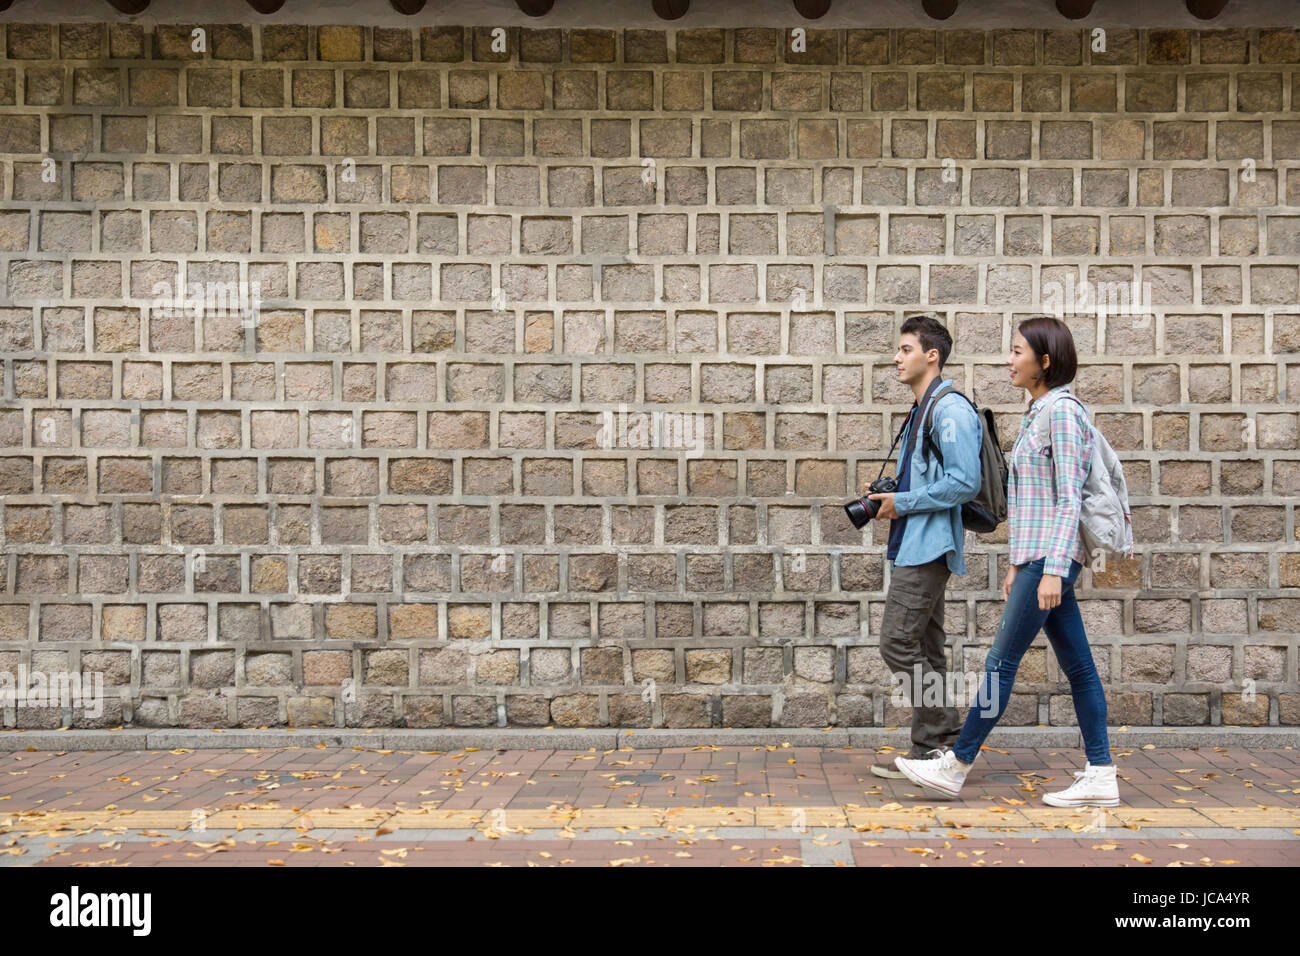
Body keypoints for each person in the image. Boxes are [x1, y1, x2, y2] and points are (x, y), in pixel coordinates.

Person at [895, 316, 1118, 807]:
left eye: (1018, 352)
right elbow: (1032, 501)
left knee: (1000, 664)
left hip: (1051, 559)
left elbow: (1068, 500)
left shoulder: (1062, 412)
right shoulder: (1038, 413)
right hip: (1037, 558)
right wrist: (1018, 561)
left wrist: (1054, 568)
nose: (1009, 360)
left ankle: (956, 764)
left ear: (1045, 360)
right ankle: (1101, 772)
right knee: (1079, 667)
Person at [865, 315, 982, 779]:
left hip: (929, 546)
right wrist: (889, 493)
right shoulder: (923, 407)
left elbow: (965, 482)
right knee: (927, 648)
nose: (897, 358)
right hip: (914, 540)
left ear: (931, 356)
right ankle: (934, 751)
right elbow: (932, 478)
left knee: (896, 641)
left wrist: (904, 501)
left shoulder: (949, 410)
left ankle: (939, 728)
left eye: (906, 349)